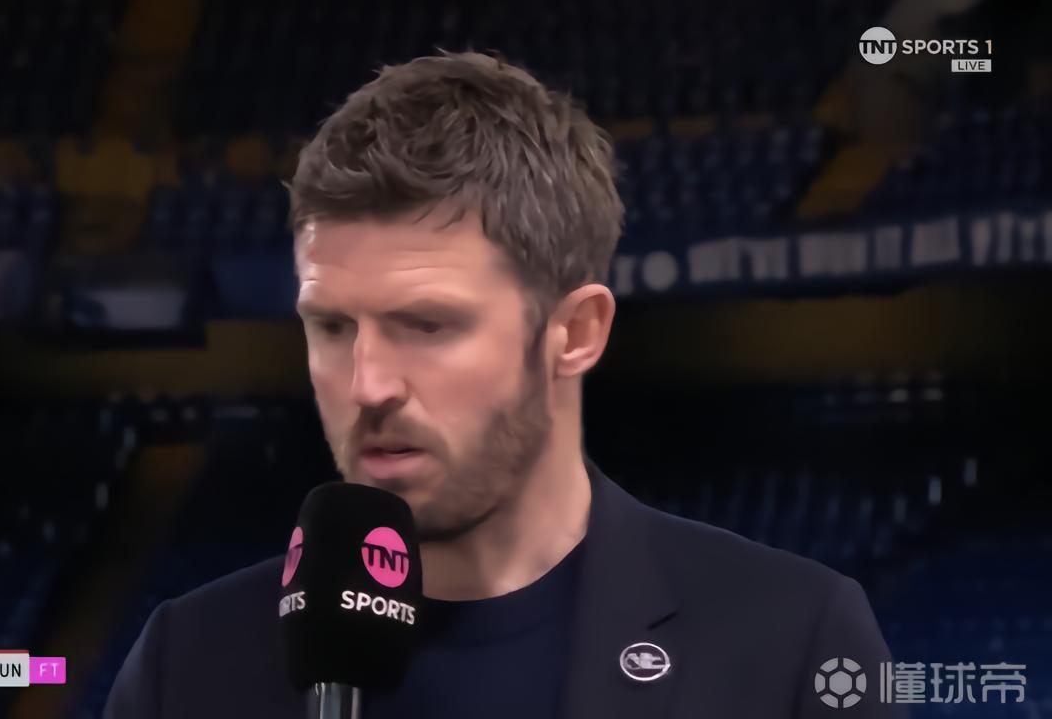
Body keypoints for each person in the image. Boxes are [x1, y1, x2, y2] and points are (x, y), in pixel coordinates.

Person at [105, 51, 903, 718]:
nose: (368, 385)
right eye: (333, 327)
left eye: (428, 325)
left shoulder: (793, 642)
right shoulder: (189, 662)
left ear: (575, 332)